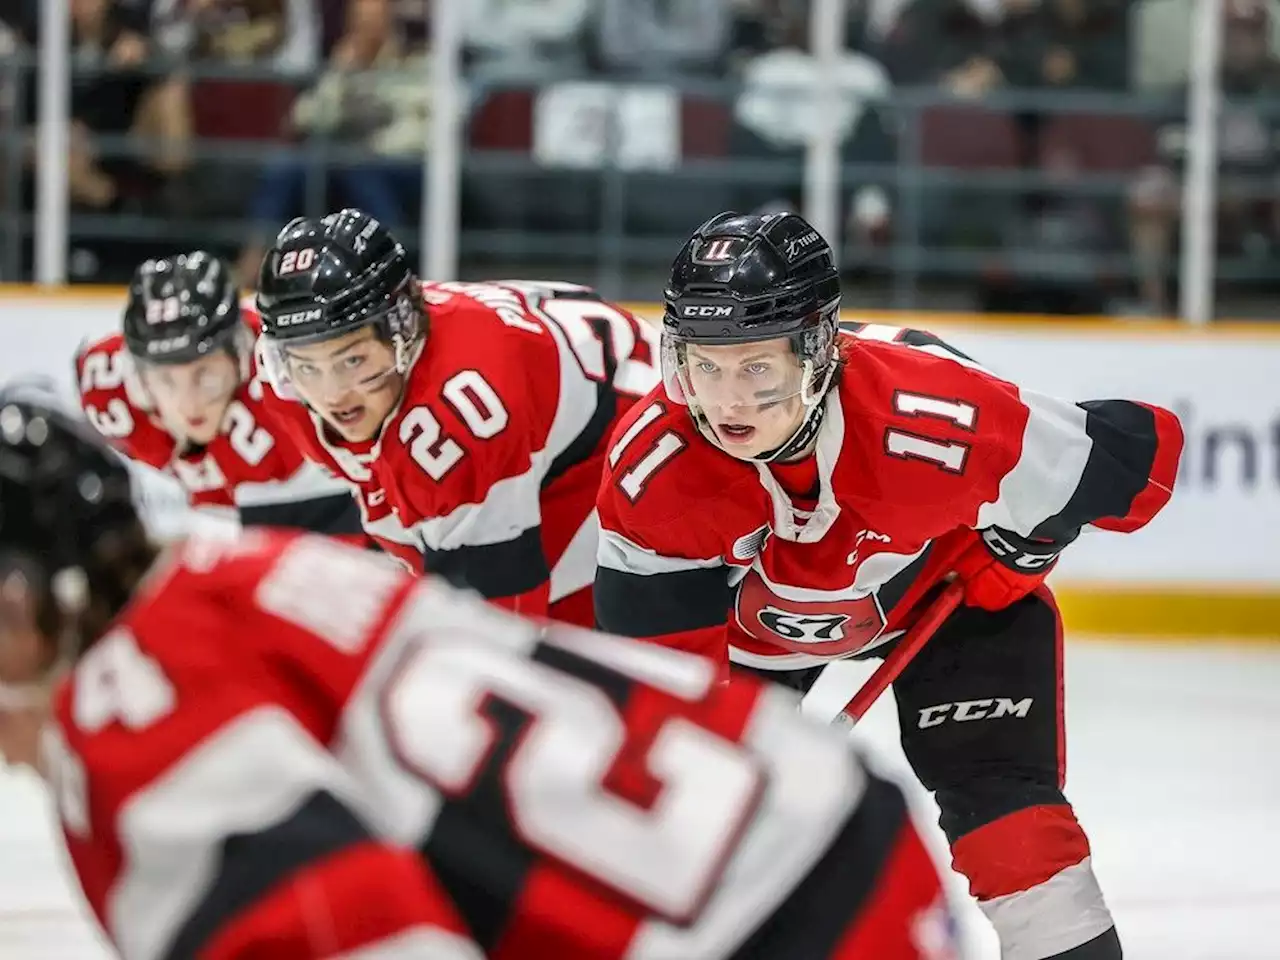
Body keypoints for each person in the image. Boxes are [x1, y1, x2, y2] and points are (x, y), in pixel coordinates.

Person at [0, 389, 958, 960]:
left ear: (16, 607)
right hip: (819, 818)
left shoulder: (131, 721)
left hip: (762, 927)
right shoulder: (234, 572)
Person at [595, 211, 1186, 960]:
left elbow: (1137, 455)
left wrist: (1027, 544)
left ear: (815, 350)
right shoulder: (656, 468)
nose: (728, 402)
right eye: (706, 365)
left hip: (937, 606)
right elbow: (664, 684)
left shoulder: (938, 420)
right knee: (693, 820)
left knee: (1011, 830)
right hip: (759, 631)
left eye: (757, 368)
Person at [253, 208, 661, 625]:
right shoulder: (281, 380)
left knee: (559, 641)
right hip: (550, 418)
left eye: (353, 358)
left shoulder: (460, 418)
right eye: (307, 367)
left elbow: (499, 623)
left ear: (403, 329)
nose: (331, 393)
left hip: (627, 434)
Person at [75, 250, 363, 537]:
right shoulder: (107, 386)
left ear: (240, 355)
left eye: (206, 376)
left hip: (321, 504)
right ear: (137, 378)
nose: (189, 403)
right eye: (166, 381)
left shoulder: (286, 389)